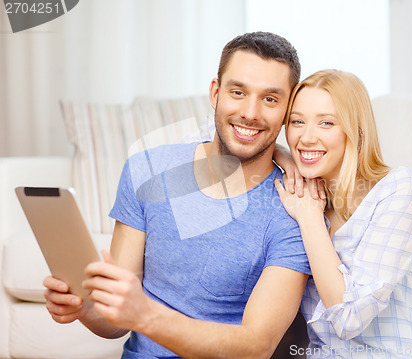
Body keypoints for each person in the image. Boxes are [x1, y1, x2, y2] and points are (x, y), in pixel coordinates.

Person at [43, 31, 313, 359]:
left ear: (287, 110)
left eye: (270, 99)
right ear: (215, 93)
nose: (251, 113)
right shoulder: (147, 170)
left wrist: (144, 314)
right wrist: (84, 307)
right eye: (238, 91)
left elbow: (257, 346)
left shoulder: (295, 209)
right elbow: (115, 323)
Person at [274, 69, 412, 358]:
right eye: (296, 122)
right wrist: (278, 151)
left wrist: (309, 219)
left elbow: (348, 317)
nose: (306, 137)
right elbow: (214, 135)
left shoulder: (402, 188)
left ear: (355, 130)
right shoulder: (299, 197)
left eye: (326, 123)